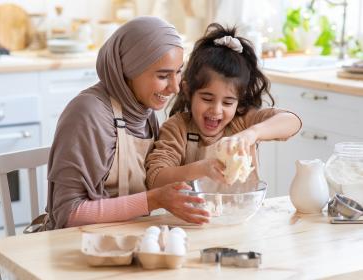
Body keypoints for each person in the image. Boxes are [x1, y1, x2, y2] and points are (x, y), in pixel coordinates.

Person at [42, 16, 210, 230]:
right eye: (163, 76)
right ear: (129, 70)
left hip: (128, 238)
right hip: (77, 244)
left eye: (178, 72)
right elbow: (67, 213)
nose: (175, 88)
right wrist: (154, 200)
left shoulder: (144, 111)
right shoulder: (87, 113)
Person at [145, 23, 302, 191]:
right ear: (188, 90)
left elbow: (292, 122)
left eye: (228, 102)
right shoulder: (177, 128)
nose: (216, 110)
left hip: (242, 214)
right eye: (207, 98)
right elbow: (155, 178)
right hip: (191, 216)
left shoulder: (242, 122)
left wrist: (252, 134)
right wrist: (202, 169)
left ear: (239, 101)